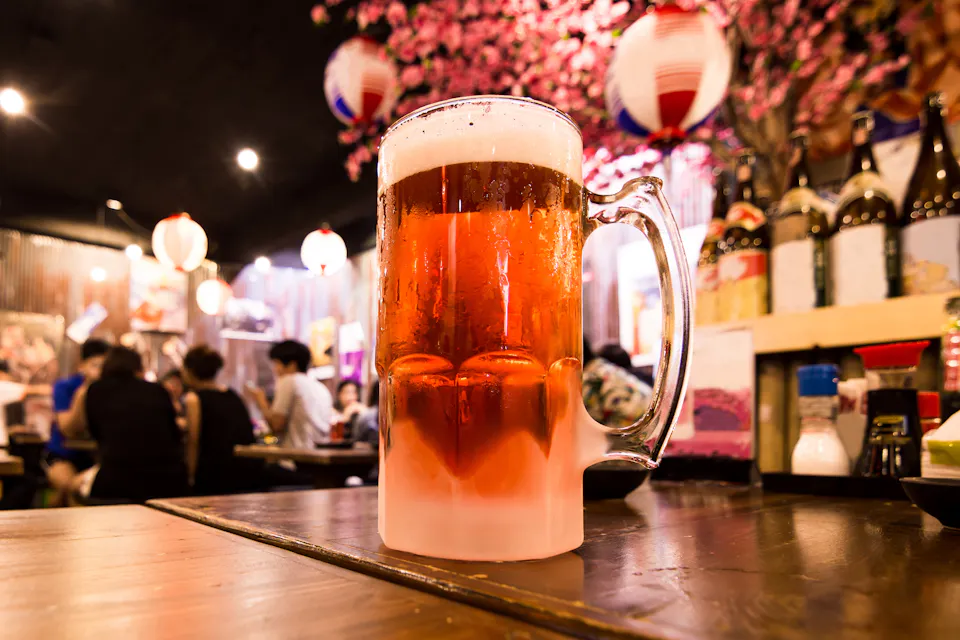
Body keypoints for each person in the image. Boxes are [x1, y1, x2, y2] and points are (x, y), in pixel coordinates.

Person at [62, 346, 188, 502]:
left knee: (72, 488)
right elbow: (173, 432)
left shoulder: (94, 390)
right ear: (138, 368)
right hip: (169, 481)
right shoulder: (157, 390)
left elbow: (73, 430)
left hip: (115, 479)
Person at [181, 346, 264, 495]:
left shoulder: (194, 398)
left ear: (189, 371)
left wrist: (190, 477)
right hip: (246, 472)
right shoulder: (233, 395)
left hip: (215, 474)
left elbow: (194, 440)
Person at [46, 338, 109, 506]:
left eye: (105, 366)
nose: (101, 371)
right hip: (62, 455)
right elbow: (67, 428)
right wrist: (84, 392)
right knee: (71, 486)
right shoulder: (66, 387)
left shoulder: (110, 390)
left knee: (83, 488)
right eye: (95, 365)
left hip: (97, 458)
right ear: (82, 366)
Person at [244, 340, 333, 449]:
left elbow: (276, 425)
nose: (275, 369)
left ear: (292, 365)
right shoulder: (321, 388)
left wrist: (261, 401)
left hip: (294, 459)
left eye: (277, 363)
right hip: (318, 456)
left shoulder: (288, 381)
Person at [582, 338, 652, 429]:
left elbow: (587, 423)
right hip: (652, 427)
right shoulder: (603, 367)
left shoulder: (590, 377)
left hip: (634, 434)